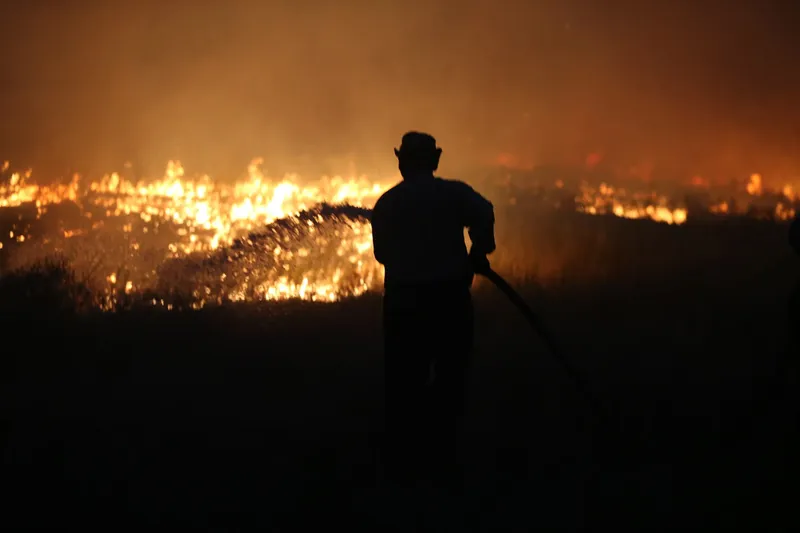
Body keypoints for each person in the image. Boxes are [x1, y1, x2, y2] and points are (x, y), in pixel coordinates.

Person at [370, 131, 496, 485]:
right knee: (451, 378)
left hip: (404, 305)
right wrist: (480, 250)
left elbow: (382, 255)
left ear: (401, 161)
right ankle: (445, 457)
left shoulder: (388, 204)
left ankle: (405, 464)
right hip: (450, 302)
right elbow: (484, 211)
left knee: (404, 382)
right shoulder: (454, 194)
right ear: (436, 160)